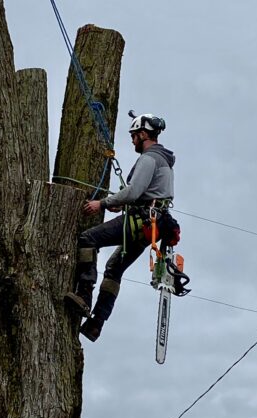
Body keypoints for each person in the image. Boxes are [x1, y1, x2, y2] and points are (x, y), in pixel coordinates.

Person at [65, 112, 179, 342]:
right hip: (149, 224)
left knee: (88, 238)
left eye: (134, 135)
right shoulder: (164, 161)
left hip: (141, 220)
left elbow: (134, 191)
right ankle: (96, 323)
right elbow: (144, 195)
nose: (132, 140)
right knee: (114, 268)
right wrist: (123, 205)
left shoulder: (150, 158)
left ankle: (84, 296)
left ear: (144, 134)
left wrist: (103, 203)